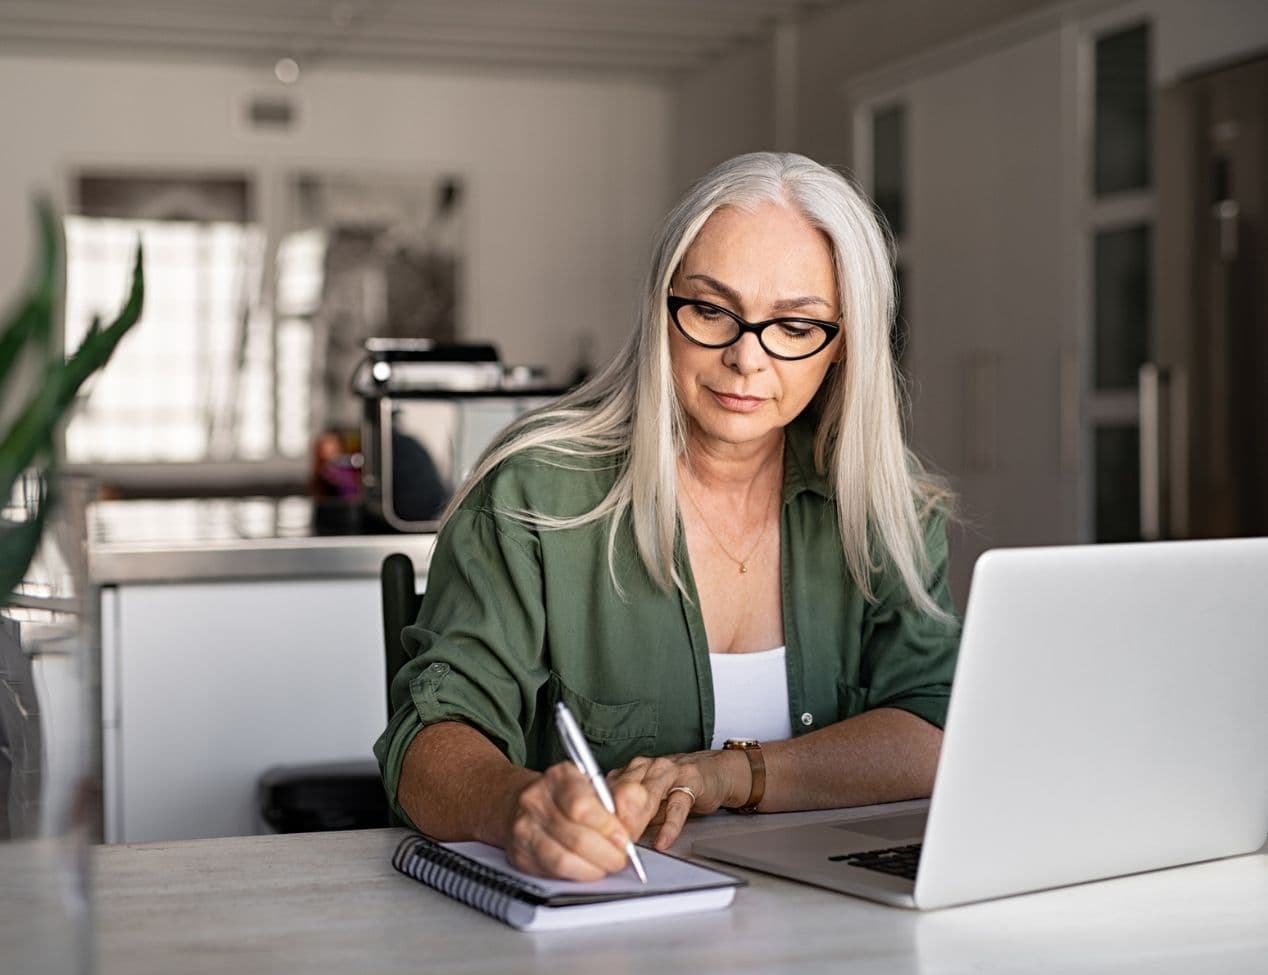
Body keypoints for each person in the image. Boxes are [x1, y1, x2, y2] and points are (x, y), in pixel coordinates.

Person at [374, 152, 960, 882]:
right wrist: (514, 806)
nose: (746, 358)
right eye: (711, 310)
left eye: (794, 325)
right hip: (605, 915)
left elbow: (935, 728)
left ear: (843, 345)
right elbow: (427, 743)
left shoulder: (885, 504)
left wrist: (729, 774)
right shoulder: (532, 492)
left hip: (836, 915)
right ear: (662, 307)